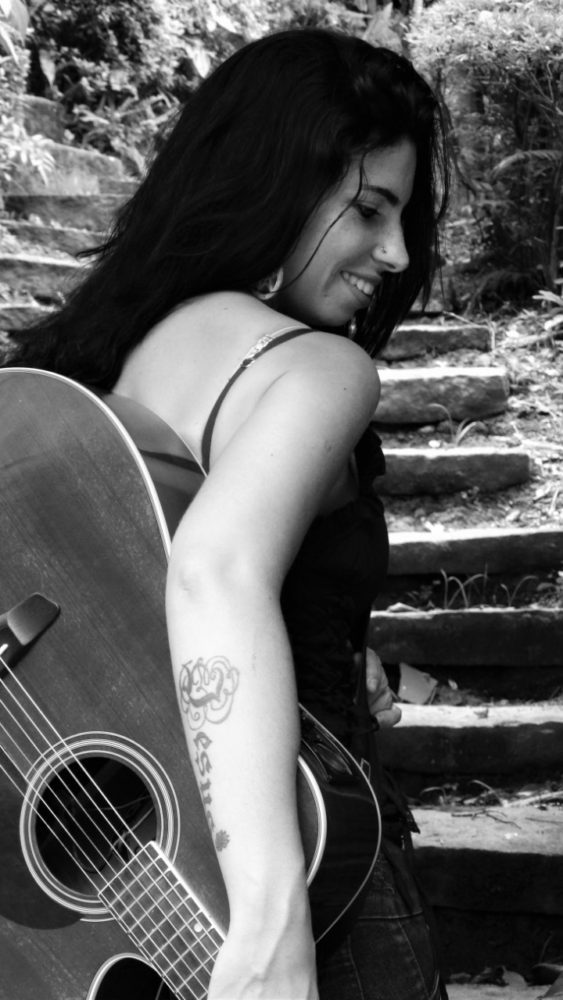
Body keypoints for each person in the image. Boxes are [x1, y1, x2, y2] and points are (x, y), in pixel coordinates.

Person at [5, 27, 450, 1000]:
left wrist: (323, 636)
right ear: (274, 185)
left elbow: (137, 587)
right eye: (369, 209)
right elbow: (213, 569)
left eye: (403, 219)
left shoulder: (111, 353)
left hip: (112, 910)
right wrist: (271, 929)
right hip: (306, 888)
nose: (396, 253)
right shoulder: (316, 367)